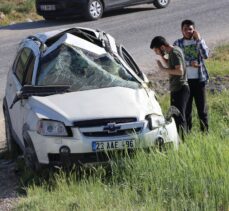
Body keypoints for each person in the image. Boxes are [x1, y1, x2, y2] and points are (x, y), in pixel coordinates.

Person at [150, 36, 190, 139]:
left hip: (180, 88)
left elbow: (179, 71)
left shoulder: (175, 53)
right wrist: (162, 57)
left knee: (179, 117)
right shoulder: (173, 52)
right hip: (177, 88)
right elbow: (172, 66)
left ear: (162, 47)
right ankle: (180, 139)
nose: (156, 53)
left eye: (157, 50)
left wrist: (163, 69)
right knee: (176, 116)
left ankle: (183, 141)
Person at [174, 20, 209, 133]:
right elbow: (175, 63)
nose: (188, 31)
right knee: (187, 111)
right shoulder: (177, 44)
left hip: (199, 80)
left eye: (190, 29)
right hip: (185, 82)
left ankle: (205, 134)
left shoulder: (199, 42)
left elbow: (205, 55)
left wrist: (198, 40)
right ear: (181, 30)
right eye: (185, 29)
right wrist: (189, 64)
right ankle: (187, 134)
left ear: (194, 30)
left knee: (202, 110)